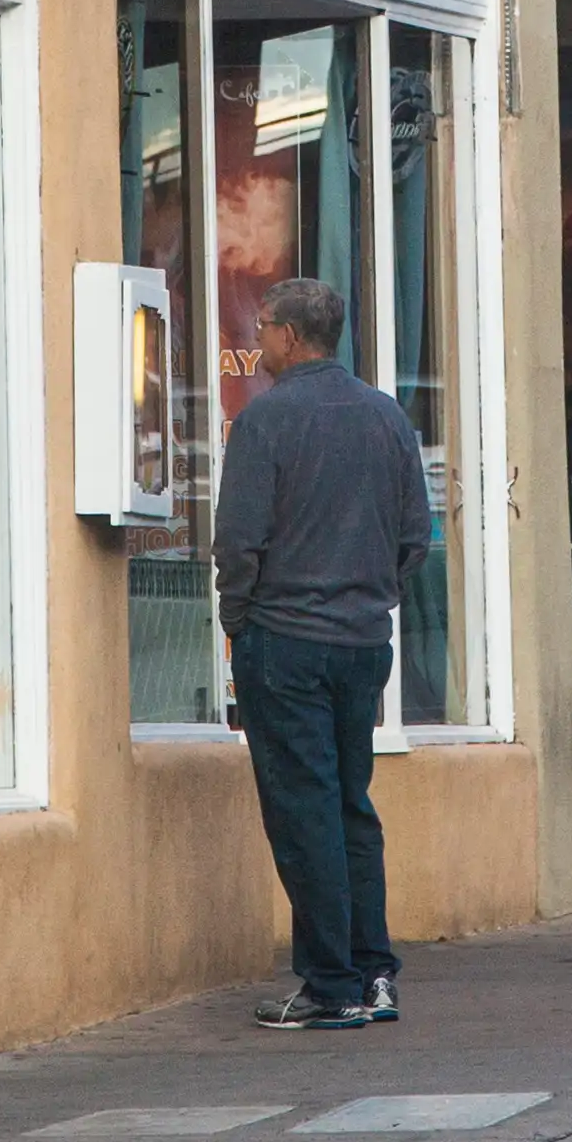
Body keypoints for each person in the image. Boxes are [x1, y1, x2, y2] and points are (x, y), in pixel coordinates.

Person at [214, 273, 435, 1033]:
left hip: (286, 640)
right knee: (349, 805)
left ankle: (331, 984)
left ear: (287, 335)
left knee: (303, 809)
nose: (256, 340)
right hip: (361, 642)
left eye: (262, 327)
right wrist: (372, 597)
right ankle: (372, 975)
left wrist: (237, 620)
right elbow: (416, 537)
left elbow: (237, 542)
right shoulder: (386, 417)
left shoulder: (266, 422)